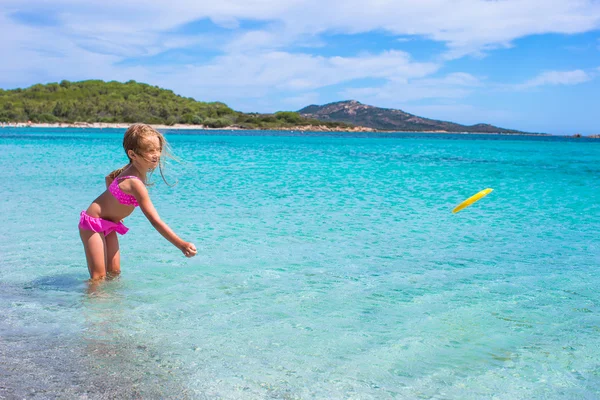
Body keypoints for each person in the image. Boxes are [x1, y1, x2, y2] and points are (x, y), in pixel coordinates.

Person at [79, 123, 197, 281]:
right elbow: (155, 220)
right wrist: (181, 244)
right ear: (133, 154)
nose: (156, 155)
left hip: (109, 223)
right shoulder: (135, 183)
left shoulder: (131, 170)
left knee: (114, 272)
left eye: (158, 149)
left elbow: (109, 178)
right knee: (98, 276)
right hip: (93, 222)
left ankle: (110, 306)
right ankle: (90, 304)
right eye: (150, 151)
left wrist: (114, 207)